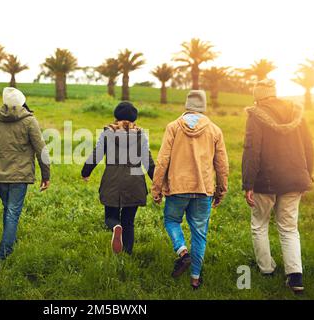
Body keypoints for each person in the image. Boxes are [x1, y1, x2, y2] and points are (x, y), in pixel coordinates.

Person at [242, 79, 314, 294]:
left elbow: (251, 151)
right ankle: (295, 276)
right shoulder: (296, 112)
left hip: (266, 181)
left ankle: (266, 269)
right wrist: (307, 174)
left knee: (259, 224)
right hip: (295, 178)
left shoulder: (255, 115)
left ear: (258, 97)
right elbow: (309, 146)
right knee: (289, 228)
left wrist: (248, 184)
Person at [152, 90, 229, 289]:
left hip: (177, 189)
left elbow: (162, 161)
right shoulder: (214, 130)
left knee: (171, 220)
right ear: (204, 106)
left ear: (186, 106)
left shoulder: (173, 127)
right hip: (204, 190)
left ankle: (182, 252)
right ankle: (195, 278)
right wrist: (221, 190)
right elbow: (222, 165)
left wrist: (156, 188)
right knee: (200, 233)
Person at [0, 87, 50, 260]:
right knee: (12, 211)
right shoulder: (29, 120)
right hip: (21, 174)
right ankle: (4, 253)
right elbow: (41, 149)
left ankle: (10, 239)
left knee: (8, 209)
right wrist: (46, 175)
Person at [81, 101, 155, 255]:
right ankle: (126, 254)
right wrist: (158, 182)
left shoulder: (108, 133)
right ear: (134, 118)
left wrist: (86, 171)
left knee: (110, 216)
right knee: (129, 222)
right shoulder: (141, 135)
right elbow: (148, 161)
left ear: (116, 116)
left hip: (112, 181)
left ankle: (115, 227)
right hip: (135, 182)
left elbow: (97, 154)